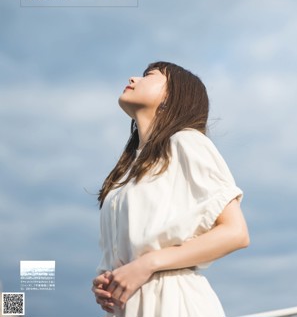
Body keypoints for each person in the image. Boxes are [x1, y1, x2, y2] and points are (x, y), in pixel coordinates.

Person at [92, 61, 250, 317]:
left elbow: (236, 232)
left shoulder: (186, 142)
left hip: (174, 302)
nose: (133, 78)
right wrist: (107, 281)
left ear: (171, 96)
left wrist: (147, 264)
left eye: (148, 76)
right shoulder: (126, 172)